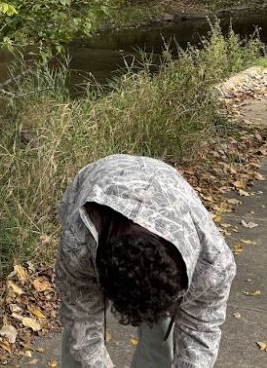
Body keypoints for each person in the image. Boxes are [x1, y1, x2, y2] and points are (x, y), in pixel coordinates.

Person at [56, 154, 236, 367]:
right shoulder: (77, 244)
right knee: (77, 336)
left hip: (167, 184)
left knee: (161, 333)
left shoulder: (214, 266)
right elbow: (82, 321)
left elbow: (201, 333)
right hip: (99, 178)